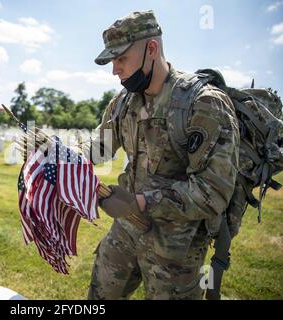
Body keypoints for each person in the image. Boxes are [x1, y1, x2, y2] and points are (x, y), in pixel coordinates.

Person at [86, 10, 239, 300]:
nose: (114, 70)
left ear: (151, 49)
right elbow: (100, 145)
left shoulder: (203, 104)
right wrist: (64, 154)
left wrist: (142, 201)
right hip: (126, 233)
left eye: (121, 59)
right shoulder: (125, 102)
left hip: (174, 252)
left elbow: (214, 191)